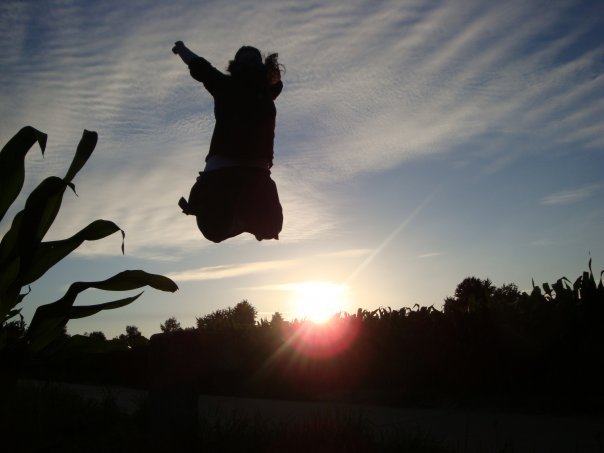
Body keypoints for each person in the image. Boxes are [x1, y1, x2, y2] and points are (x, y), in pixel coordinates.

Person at [172, 41, 284, 243]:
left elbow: (277, 84)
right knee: (213, 230)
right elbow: (200, 67)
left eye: (254, 58)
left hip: (256, 173)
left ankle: (241, 215)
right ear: (236, 65)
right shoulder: (225, 85)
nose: (250, 61)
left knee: (273, 227)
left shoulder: (267, 92)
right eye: (246, 58)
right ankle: (236, 213)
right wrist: (181, 49)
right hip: (224, 170)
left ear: (261, 65)